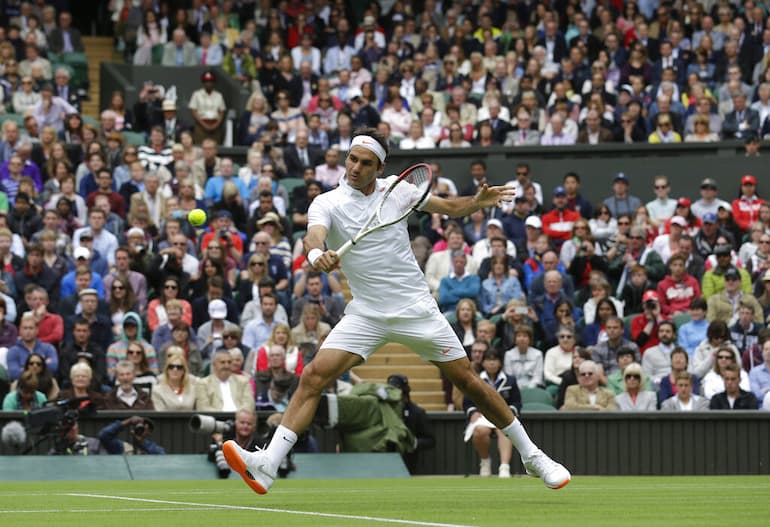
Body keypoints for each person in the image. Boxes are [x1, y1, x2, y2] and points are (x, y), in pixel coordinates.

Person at [223, 127, 571, 493]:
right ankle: (267, 463)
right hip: (366, 314)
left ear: (380, 167)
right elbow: (314, 235)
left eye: (365, 162)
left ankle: (533, 456)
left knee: (470, 382)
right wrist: (314, 254)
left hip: (416, 309)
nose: (355, 167)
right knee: (312, 376)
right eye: (352, 158)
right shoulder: (326, 203)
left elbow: (451, 207)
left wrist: (476, 202)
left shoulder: (398, 190)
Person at [463, 349, 522, 478]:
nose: (491, 363)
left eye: (494, 360)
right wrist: (473, 412)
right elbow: (467, 402)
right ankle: (485, 462)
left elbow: (517, 402)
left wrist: (510, 411)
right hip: (482, 417)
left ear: (500, 363)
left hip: (503, 417)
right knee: (480, 431)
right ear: (483, 363)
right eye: (488, 360)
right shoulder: (475, 379)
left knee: (505, 430)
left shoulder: (510, 380)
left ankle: (504, 467)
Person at [98, 415, 166, 455]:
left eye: (146, 429)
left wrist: (142, 442)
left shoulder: (155, 449)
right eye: (140, 427)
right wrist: (128, 421)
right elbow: (104, 435)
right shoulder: (122, 447)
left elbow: (162, 456)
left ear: (149, 433)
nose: (141, 430)